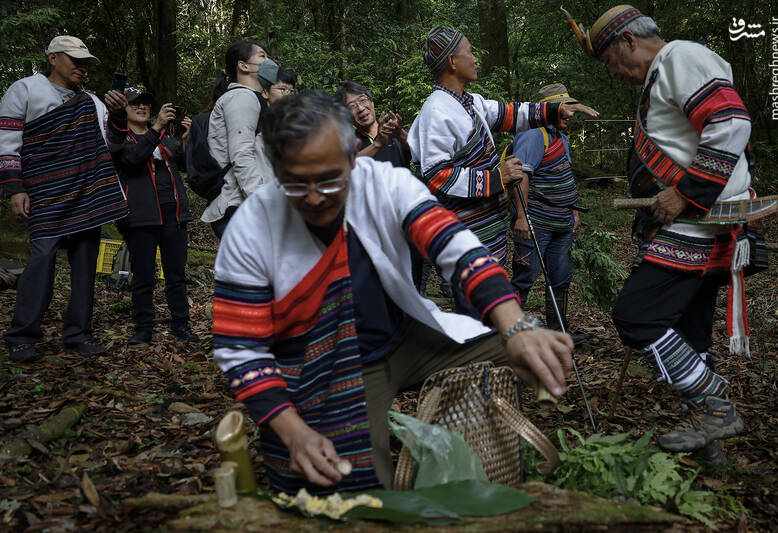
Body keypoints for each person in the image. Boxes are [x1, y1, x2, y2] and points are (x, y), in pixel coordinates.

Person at [212, 91, 574, 495]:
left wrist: (517, 327)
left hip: (405, 334)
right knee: (350, 486)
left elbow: (455, 246)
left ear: (353, 158)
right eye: (297, 183)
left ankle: (478, 453)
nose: (315, 197)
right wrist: (294, 433)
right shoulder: (251, 229)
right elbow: (242, 349)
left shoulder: (382, 184)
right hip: (334, 364)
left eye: (331, 179)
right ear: (277, 171)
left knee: (520, 340)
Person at [567, 5, 759, 452]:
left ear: (628, 42)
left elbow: (731, 123)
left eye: (611, 62)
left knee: (637, 316)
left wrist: (687, 193)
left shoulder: (681, 58)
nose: (613, 73)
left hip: (697, 220)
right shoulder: (665, 73)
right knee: (691, 331)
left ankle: (716, 405)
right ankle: (709, 439)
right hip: (696, 223)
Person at [408, 26, 598, 317]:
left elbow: (510, 114)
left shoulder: (470, 103)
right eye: (469, 52)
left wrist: (554, 111)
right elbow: (437, 176)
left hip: (487, 235)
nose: (475, 58)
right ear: (452, 62)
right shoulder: (437, 111)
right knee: (474, 310)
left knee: (486, 305)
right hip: (467, 236)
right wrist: (498, 177)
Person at [0, 36, 129, 362]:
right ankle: (22, 336)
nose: (81, 66)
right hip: (46, 195)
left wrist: (118, 117)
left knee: (85, 269)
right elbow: (7, 142)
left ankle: (77, 335)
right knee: (40, 263)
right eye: (74, 59)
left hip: (88, 195)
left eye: (85, 61)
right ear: (53, 57)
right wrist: (15, 189)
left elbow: (112, 145)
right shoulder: (25, 89)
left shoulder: (92, 101)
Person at [110, 87, 199, 346]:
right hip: (140, 216)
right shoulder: (121, 138)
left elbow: (183, 165)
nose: (141, 107)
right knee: (144, 275)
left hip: (174, 215)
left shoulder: (165, 137)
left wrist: (187, 139)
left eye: (146, 104)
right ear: (123, 108)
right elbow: (132, 160)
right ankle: (143, 327)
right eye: (135, 103)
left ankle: (181, 325)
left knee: (176, 275)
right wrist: (157, 126)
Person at [509, 83, 582, 330]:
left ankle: (558, 331)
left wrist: (573, 210)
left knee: (560, 278)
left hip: (561, 222)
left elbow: (565, 173)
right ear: (549, 110)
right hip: (536, 223)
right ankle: (510, 332)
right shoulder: (533, 135)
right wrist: (521, 217)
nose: (569, 115)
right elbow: (521, 176)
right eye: (563, 110)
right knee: (525, 276)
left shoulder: (558, 136)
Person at [200, 40, 276, 239]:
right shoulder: (243, 97)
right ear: (243, 66)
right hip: (240, 206)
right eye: (262, 56)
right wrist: (262, 200)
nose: (269, 61)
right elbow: (241, 154)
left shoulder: (249, 97)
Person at [335, 81, 411, 169]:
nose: (360, 108)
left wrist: (400, 135)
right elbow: (344, 167)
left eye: (362, 100)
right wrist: (377, 144)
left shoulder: (395, 133)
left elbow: (420, 151)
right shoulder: (349, 143)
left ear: (372, 103)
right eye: (352, 106)